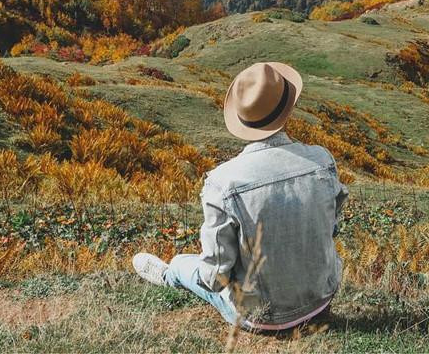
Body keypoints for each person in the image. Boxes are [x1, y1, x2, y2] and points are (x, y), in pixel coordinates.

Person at [133, 61, 348, 332]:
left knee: (184, 264)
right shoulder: (322, 160)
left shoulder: (223, 182)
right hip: (321, 299)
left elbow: (215, 276)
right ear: (288, 109)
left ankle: (168, 274)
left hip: (260, 317)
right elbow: (332, 227)